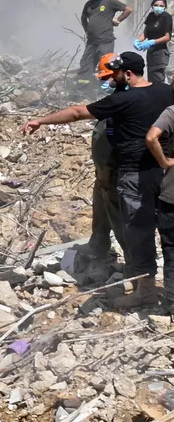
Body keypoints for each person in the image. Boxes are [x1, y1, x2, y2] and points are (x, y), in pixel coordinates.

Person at [24, 51, 174, 307]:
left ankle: (145, 290)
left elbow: (75, 113)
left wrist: (40, 120)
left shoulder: (123, 100)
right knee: (169, 236)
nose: (110, 80)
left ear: (127, 74)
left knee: (139, 233)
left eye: (114, 75)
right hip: (164, 174)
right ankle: (169, 295)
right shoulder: (165, 92)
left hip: (134, 176)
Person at [80, 53, 128, 282]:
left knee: (119, 217)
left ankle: (135, 265)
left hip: (117, 172)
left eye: (108, 77)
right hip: (103, 172)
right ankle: (98, 248)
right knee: (100, 211)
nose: (105, 83)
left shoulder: (128, 102)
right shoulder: (114, 101)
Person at [142, 102, 174, 303]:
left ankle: (172, 301)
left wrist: (164, 162)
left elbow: (151, 137)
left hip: (172, 195)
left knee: (171, 248)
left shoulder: (172, 112)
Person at [80, 0, 131, 81]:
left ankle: (103, 91)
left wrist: (118, 20)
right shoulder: (89, 4)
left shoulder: (109, 1)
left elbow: (128, 9)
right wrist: (87, 31)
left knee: (105, 66)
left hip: (105, 41)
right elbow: (83, 18)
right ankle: (84, 89)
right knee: (86, 65)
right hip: (91, 42)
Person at [139, 0, 174, 85]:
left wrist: (152, 42)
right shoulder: (151, 16)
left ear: (165, 7)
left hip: (161, 51)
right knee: (151, 78)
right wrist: (138, 41)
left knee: (161, 77)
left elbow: (167, 37)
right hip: (151, 52)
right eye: (156, 5)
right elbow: (146, 31)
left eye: (161, 6)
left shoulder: (166, 17)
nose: (158, 7)